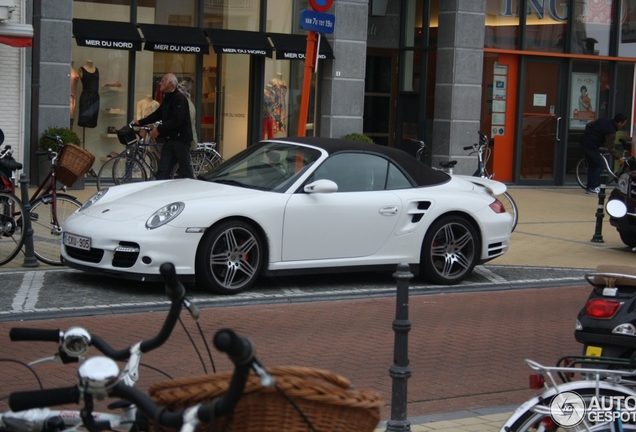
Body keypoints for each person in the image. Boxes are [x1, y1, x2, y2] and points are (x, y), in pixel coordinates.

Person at [133, 73, 194, 179]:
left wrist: (159, 129)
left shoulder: (179, 99)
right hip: (169, 139)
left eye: (163, 81)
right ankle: (161, 192)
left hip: (180, 140)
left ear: (171, 84)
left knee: (185, 172)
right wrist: (140, 122)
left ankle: (193, 192)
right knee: (163, 171)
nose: (160, 83)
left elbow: (177, 120)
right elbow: (158, 114)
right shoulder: (168, 98)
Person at [579, 113, 628, 194]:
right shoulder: (611, 131)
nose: (624, 125)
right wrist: (618, 158)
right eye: (624, 123)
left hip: (583, 142)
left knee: (592, 165)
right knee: (600, 165)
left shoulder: (603, 120)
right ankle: (592, 187)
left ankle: (589, 187)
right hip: (591, 146)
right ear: (620, 123)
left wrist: (590, 134)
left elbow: (588, 124)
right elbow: (611, 148)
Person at [177, 83, 198, 150]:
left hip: (186, 139)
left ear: (185, 94)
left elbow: (185, 122)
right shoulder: (182, 104)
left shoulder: (188, 106)